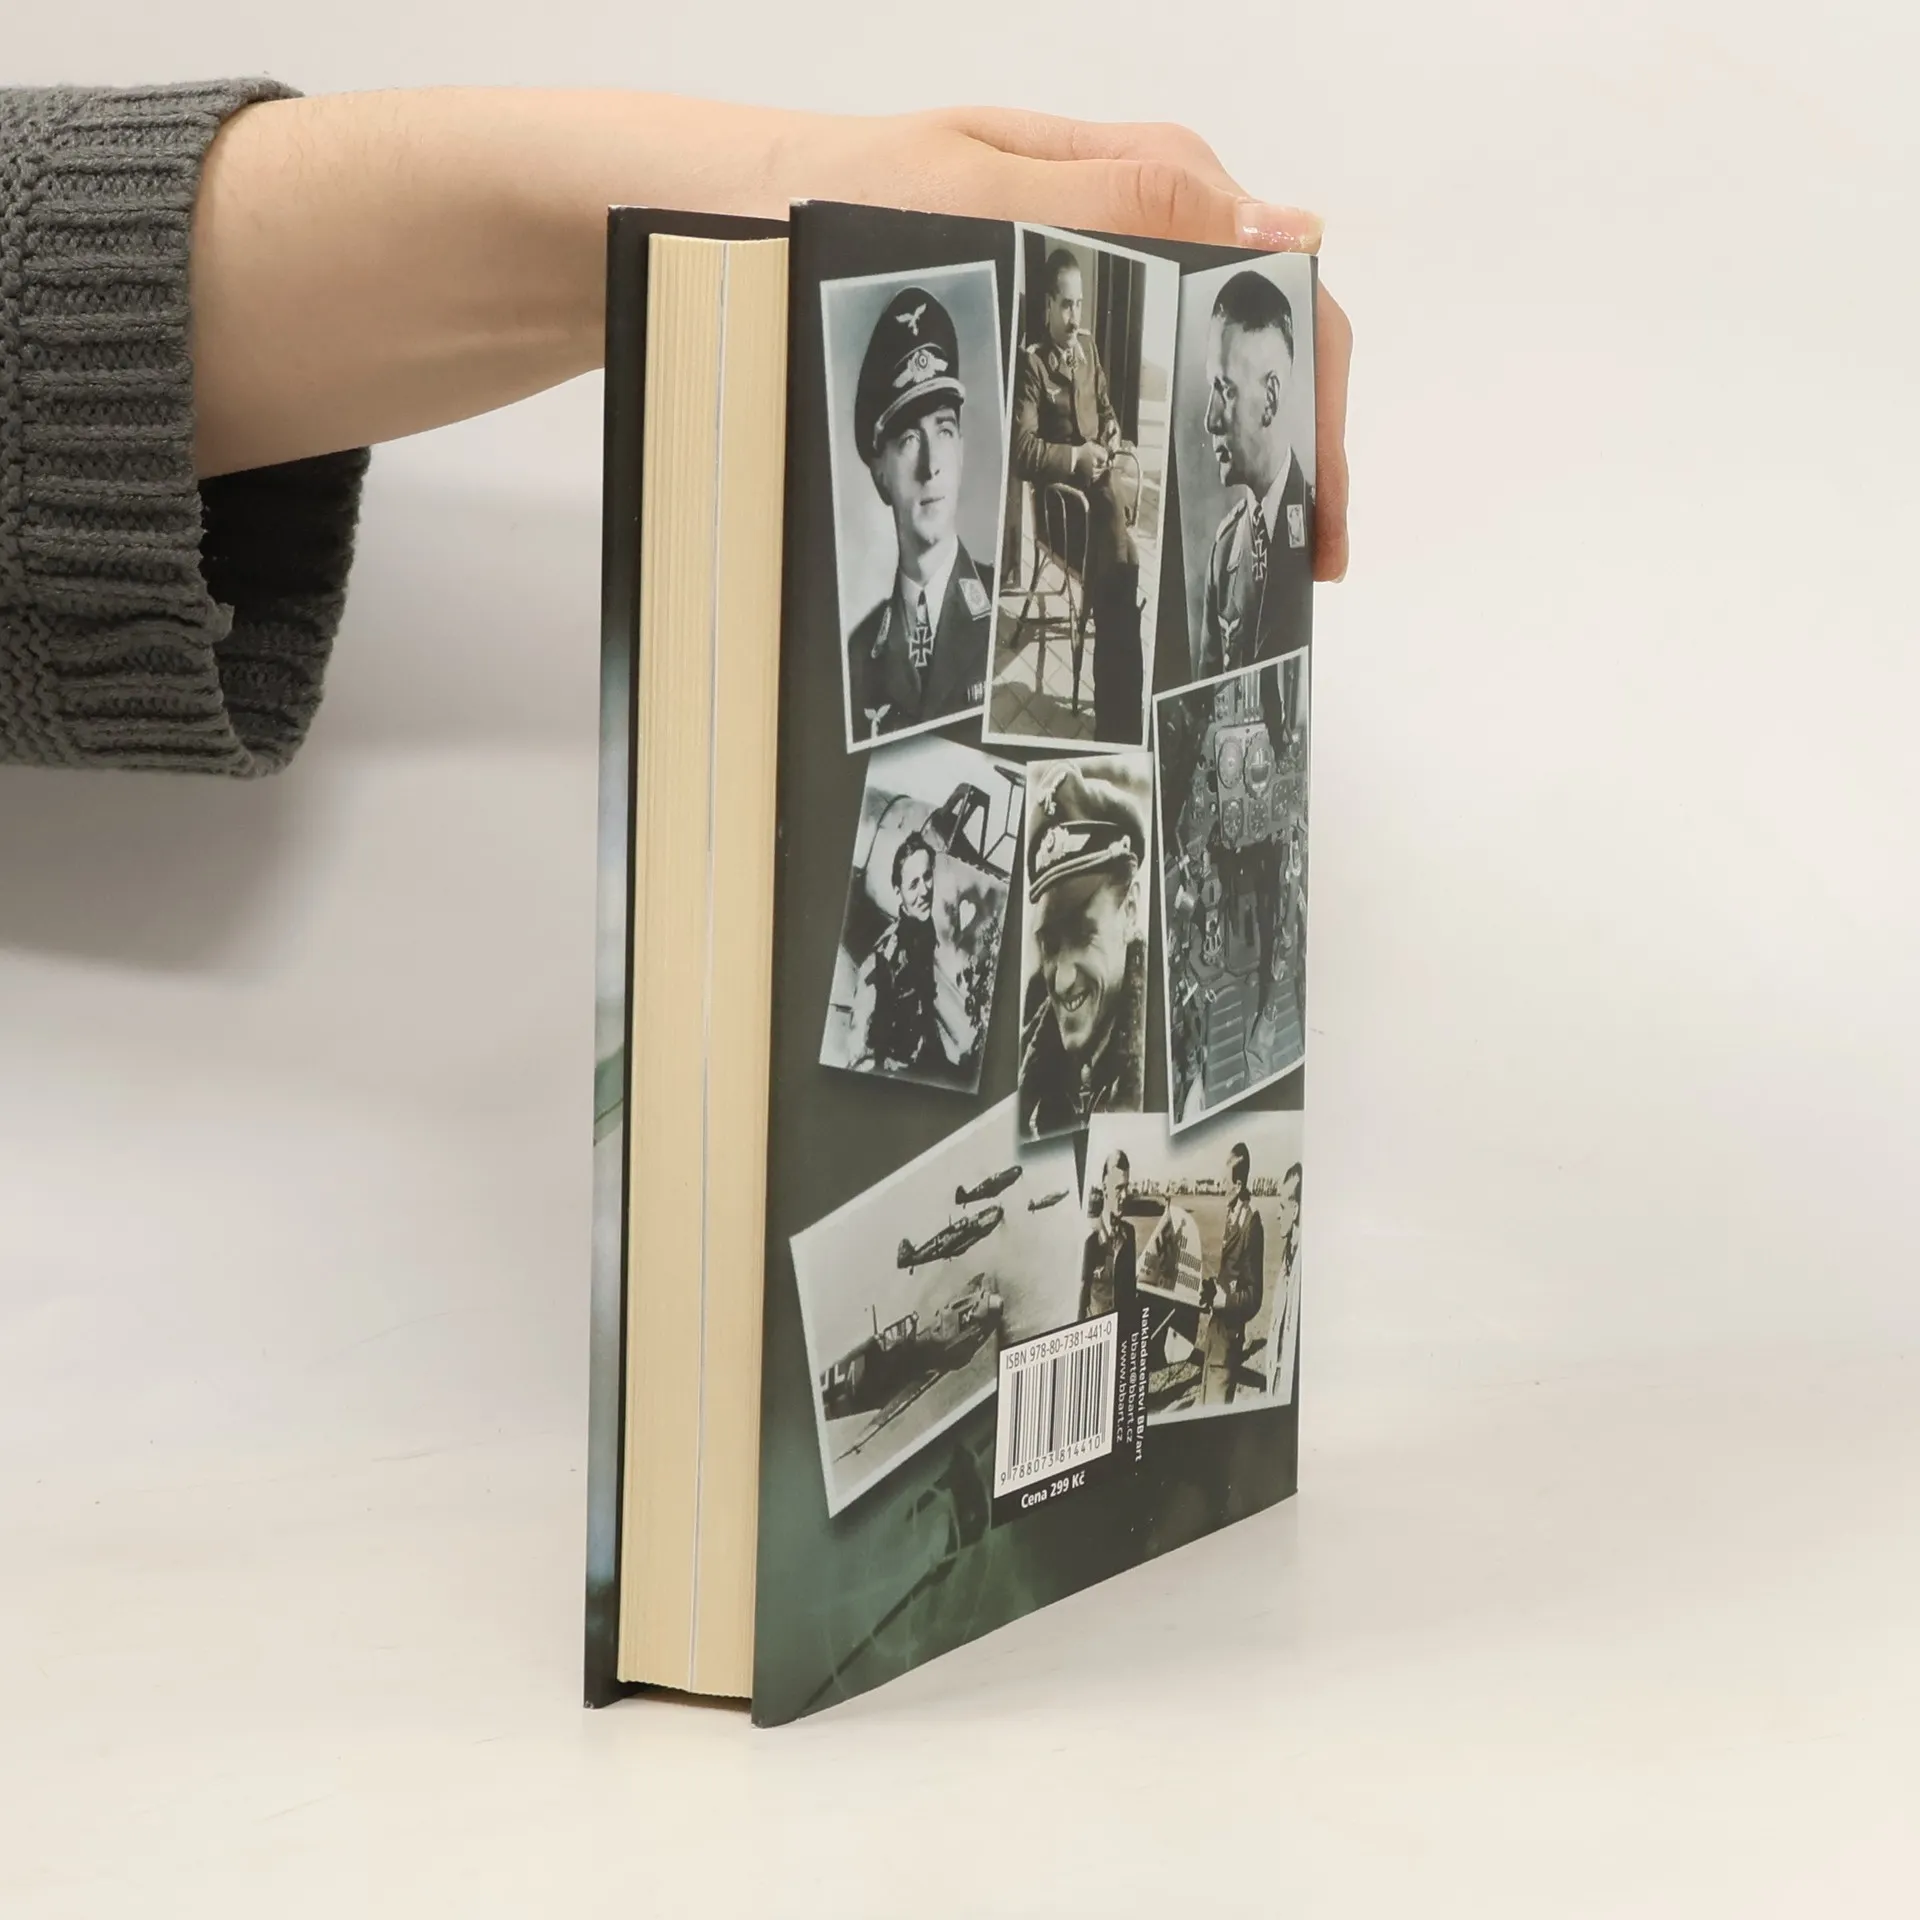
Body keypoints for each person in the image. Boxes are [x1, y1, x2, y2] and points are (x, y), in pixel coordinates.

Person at [0, 85, 1350, 775]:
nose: (937, 459)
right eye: (908, 433)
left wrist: (751, 207)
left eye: (949, 421)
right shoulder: (861, 650)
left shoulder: (1019, 589)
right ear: (874, 461)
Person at [845, 287, 994, 742]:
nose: (931, 466)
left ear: (961, 450)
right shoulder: (856, 657)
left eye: (944, 431)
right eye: (909, 439)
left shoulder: (1005, 612)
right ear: (880, 475)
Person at [1008, 247, 1144, 743]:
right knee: (1122, 558)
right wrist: (1074, 458)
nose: (1074, 316)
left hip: (1098, 504)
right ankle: (1120, 714)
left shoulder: (1087, 350)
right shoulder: (1033, 366)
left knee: (1122, 561)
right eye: (1066, 305)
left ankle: (1117, 709)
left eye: (1079, 304)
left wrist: (1111, 432)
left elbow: (1106, 409)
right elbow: (1021, 450)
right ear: (1047, 305)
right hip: (1064, 512)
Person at [1195, 269, 1315, 679]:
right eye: (1212, 388)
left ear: (1270, 398)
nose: (1210, 419)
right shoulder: (1225, 551)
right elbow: (1208, 696)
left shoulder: (1320, 528)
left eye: (1227, 390)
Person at [1018, 761, 1149, 1138]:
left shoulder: (1167, 1053)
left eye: (1081, 936)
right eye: (1049, 944)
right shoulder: (1026, 1058)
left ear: (1131, 911)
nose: (1061, 981)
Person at [846, 834, 949, 1077]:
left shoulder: (927, 932)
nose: (924, 890)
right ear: (898, 890)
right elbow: (860, 1056)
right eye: (913, 885)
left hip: (927, 1061)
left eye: (927, 877)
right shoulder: (883, 958)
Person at [1196, 1140, 1264, 1406]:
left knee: (1213, 1416)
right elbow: (1230, 1276)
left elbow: (1254, 1296)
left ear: (1238, 1185)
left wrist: (1226, 1301)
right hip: (1215, 1339)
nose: (1220, 1185)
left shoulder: (1251, 1224)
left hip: (1229, 1343)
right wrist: (1211, 1289)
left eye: (1225, 1181)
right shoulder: (1232, 1214)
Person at [1079, 1147, 1138, 1323]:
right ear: (1105, 1188)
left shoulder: (1129, 1234)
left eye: (1126, 1187)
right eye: (1119, 1188)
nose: (1125, 1195)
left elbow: (1130, 1291)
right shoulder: (1090, 1238)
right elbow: (1081, 1297)